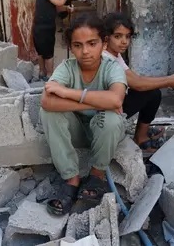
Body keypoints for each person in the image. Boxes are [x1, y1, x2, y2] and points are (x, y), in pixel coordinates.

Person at [40, 14, 127, 216]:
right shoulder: (67, 68)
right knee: (49, 112)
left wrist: (67, 93)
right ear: (71, 47)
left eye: (92, 43)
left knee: (111, 117)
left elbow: (116, 100)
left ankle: (96, 175)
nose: (85, 51)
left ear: (104, 43)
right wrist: (94, 103)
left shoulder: (112, 68)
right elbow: (46, 101)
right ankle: (71, 179)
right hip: (78, 131)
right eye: (78, 45)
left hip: (105, 130)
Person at [102, 12, 174, 153]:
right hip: (106, 111)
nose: (124, 41)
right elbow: (137, 84)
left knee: (153, 93)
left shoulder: (115, 54)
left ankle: (141, 135)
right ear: (107, 38)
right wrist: (168, 81)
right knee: (151, 93)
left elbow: (135, 78)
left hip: (114, 104)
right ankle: (140, 138)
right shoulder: (106, 57)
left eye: (127, 36)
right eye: (118, 36)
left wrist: (169, 78)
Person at [26, 0, 73, 80]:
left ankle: (42, 72)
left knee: (41, 53)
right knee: (49, 54)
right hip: (47, 29)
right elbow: (60, 2)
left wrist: (66, 9)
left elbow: (55, 8)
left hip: (37, 29)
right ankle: (50, 75)